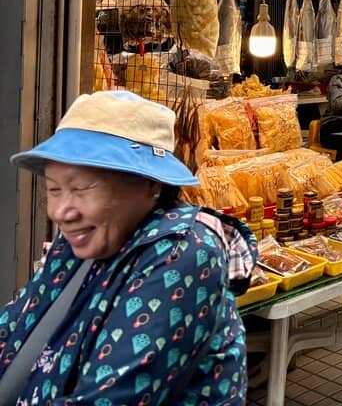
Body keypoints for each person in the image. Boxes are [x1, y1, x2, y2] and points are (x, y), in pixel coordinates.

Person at [0, 90, 257, 404]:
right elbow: (14, 326)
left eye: (82, 188)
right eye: (54, 189)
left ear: (151, 184)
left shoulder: (184, 253)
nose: (60, 212)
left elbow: (113, 397)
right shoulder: (78, 243)